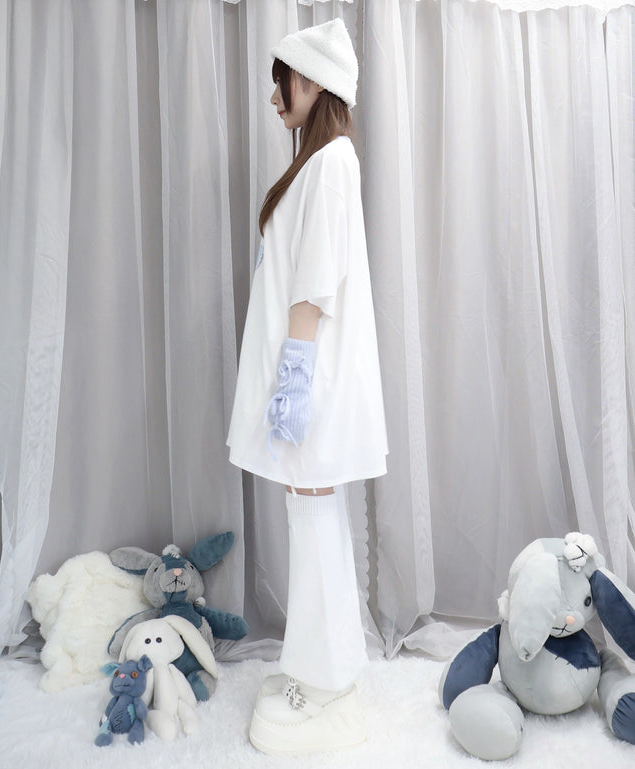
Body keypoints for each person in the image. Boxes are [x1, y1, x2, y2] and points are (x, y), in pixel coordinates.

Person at [227, 18, 388, 755]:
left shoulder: (332, 162)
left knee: (315, 520)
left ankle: (325, 682)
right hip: (305, 374)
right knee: (311, 518)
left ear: (314, 82)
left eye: (282, 82)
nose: (274, 98)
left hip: (312, 379)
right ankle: (319, 667)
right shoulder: (321, 161)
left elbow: (316, 281)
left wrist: (294, 378)